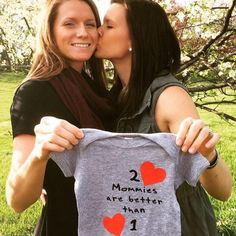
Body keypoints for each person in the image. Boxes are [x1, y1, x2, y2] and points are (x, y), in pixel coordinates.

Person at [95, 0, 233, 235]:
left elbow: (223, 191)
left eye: (108, 26)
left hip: (177, 225)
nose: (98, 31)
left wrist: (208, 153)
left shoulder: (169, 97)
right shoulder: (119, 94)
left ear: (134, 41)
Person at [5, 0, 117, 235]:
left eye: (90, 23)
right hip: (64, 225)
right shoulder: (35, 92)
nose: (83, 32)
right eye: (69, 23)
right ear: (50, 32)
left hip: (108, 223)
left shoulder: (96, 90)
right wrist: (40, 154)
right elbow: (16, 201)